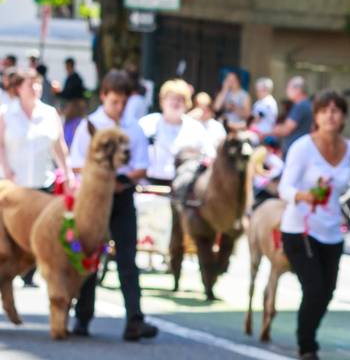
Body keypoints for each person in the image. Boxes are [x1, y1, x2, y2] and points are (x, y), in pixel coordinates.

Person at [68, 70, 158, 342]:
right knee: (89, 253)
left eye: (123, 102)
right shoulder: (91, 125)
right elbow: (76, 162)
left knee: (127, 256)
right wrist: (102, 174)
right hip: (95, 197)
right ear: (104, 96)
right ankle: (82, 316)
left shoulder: (134, 127)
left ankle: (134, 318)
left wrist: (123, 178)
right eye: (114, 102)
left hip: (122, 195)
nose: (118, 108)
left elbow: (141, 166)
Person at [279, 90, 350, 360]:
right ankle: (307, 348)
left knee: (328, 290)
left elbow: (344, 186)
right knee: (313, 288)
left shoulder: (349, 148)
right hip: (300, 228)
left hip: (332, 229)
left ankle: (308, 336)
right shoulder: (302, 147)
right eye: (325, 110)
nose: (330, 115)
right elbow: (284, 188)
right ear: (316, 115)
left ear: (344, 117)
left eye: (336, 110)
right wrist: (303, 195)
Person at [0, 68, 71, 193]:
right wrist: (6, 170)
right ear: (18, 88)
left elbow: (59, 146)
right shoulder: (5, 114)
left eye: (38, 84)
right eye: (30, 84)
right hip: (12, 186)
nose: (35, 88)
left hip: (44, 185)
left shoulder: (50, 113)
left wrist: (67, 173)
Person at [139, 79, 215, 186]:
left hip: (183, 191)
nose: (176, 102)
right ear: (162, 101)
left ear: (187, 103)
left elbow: (210, 155)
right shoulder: (147, 124)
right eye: (171, 98)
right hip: (146, 187)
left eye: (180, 99)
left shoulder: (195, 128)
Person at [273, 76, 313, 149]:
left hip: (296, 148)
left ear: (298, 90)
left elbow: (286, 129)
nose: (287, 91)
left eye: (289, 88)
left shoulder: (300, 106)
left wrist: (274, 129)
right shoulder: (307, 104)